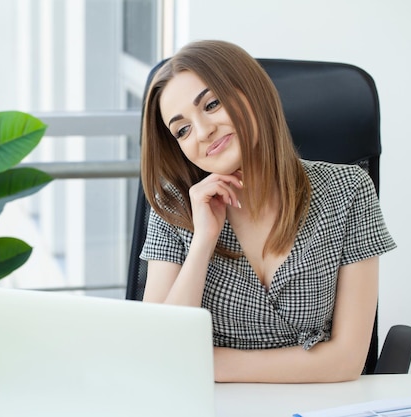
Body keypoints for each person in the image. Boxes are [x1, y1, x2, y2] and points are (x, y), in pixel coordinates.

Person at [139, 40, 396, 383]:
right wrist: (203, 242)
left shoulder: (348, 191)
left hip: (317, 405)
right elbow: (157, 351)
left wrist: (202, 363)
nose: (202, 132)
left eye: (212, 104)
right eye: (182, 129)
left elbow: (348, 360)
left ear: (252, 92)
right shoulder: (176, 204)